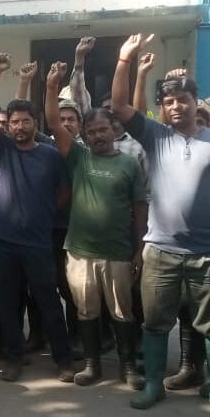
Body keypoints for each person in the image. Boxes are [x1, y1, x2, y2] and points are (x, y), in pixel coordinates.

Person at [110, 33, 210, 417]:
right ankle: (154, 384)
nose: (175, 106)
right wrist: (125, 59)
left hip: (207, 251)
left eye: (182, 99)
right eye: (168, 102)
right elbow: (118, 106)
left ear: (194, 102)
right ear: (162, 108)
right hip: (161, 250)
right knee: (155, 323)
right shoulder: (155, 137)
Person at [44, 61, 147, 389]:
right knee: (86, 310)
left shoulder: (130, 164)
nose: (98, 135)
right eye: (92, 132)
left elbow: (140, 208)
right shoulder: (79, 157)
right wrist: (51, 86)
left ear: (113, 130)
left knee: (122, 312)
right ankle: (92, 366)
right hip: (80, 252)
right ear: (85, 136)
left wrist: (140, 249)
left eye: (103, 129)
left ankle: (128, 367)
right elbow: (52, 122)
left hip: (118, 252)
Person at [0, 53, 75, 383]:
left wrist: (43, 210)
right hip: (3, 242)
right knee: (8, 304)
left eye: (25, 121)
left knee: (49, 302)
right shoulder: (3, 149)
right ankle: (13, 358)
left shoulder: (51, 155)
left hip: (38, 243)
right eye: (14, 122)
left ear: (35, 123)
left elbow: (65, 192)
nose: (19, 126)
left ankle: (63, 360)